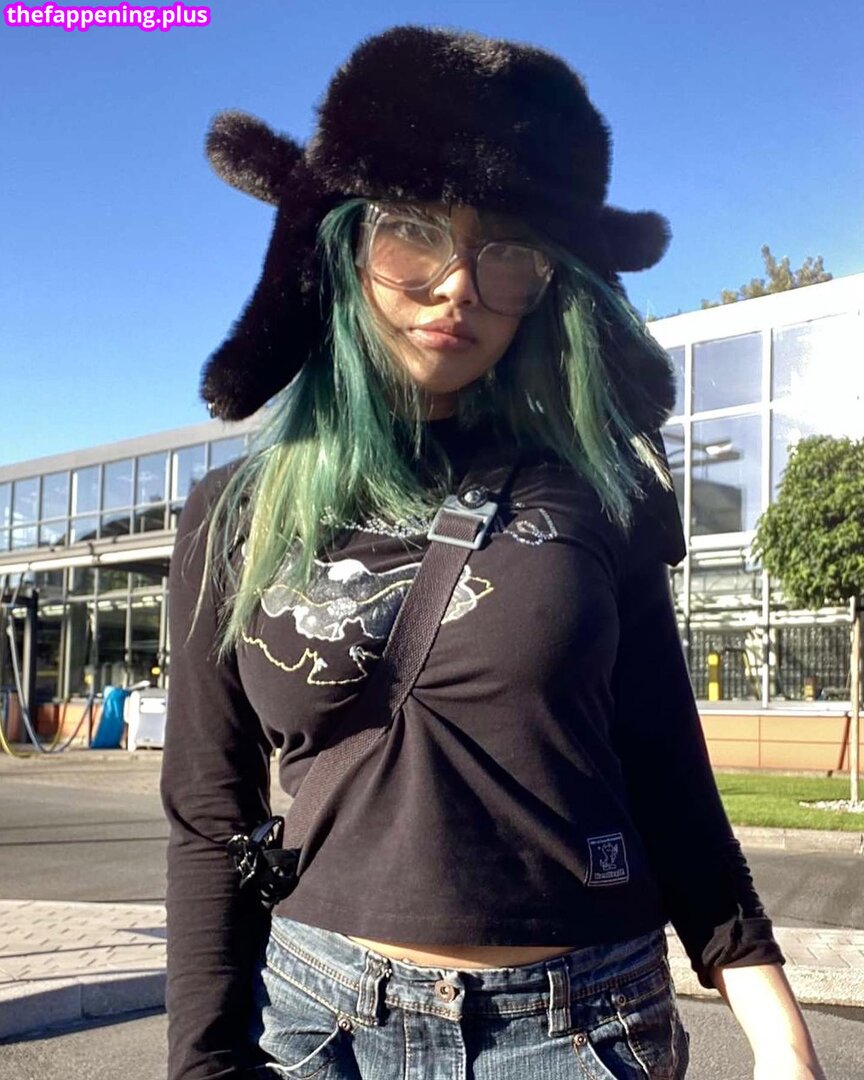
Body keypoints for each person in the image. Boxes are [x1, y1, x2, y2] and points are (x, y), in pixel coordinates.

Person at [161, 25, 826, 1080]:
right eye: (414, 232)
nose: (457, 285)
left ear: (546, 285)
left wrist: (781, 1039)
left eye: (505, 251)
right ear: (345, 245)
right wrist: (202, 1065)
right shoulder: (234, 513)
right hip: (320, 1026)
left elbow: (667, 774)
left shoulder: (595, 493)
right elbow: (209, 816)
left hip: (581, 1028)